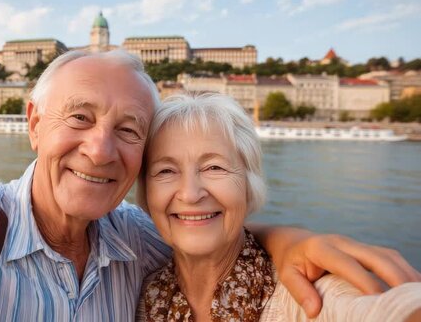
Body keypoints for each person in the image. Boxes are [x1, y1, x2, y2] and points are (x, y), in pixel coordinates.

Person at [0, 50, 419, 321]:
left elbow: (209, 232)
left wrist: (285, 239)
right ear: (32, 123)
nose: (100, 148)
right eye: (78, 118)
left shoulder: (137, 242)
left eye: (129, 130)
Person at [136, 93, 421, 322]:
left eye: (214, 167)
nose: (190, 193)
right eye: (165, 171)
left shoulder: (305, 295)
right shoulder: (138, 291)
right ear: (146, 192)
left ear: (249, 184)